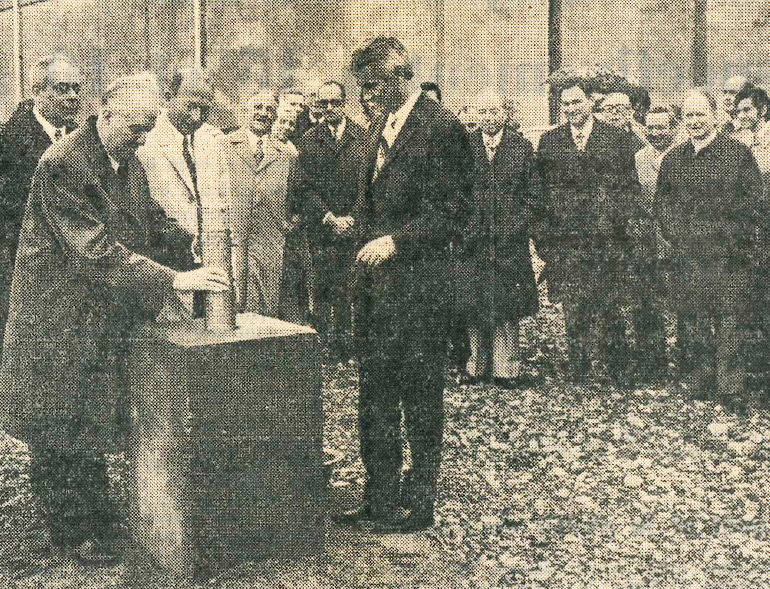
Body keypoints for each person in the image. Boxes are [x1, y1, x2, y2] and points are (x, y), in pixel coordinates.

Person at [0, 73, 230, 564]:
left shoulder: (124, 160)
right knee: (59, 424)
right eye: (135, 128)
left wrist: (186, 244)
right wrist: (172, 280)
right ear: (106, 114)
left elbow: (145, 219)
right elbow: (96, 250)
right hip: (57, 318)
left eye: (148, 129)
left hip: (94, 314)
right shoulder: (63, 165)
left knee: (89, 416)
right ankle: (71, 531)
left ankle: (96, 517)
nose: (142, 139)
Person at [335, 36, 472, 533]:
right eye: (362, 88)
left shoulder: (441, 128)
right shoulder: (377, 128)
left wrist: (398, 240)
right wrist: (361, 225)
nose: (366, 96)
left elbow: (454, 212)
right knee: (373, 396)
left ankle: (419, 502)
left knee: (419, 398)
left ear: (399, 78)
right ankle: (379, 496)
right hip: (376, 292)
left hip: (420, 292)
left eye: (372, 87)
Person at [655, 89, 763, 407]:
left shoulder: (737, 154)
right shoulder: (674, 159)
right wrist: (681, 237)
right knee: (694, 318)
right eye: (689, 115)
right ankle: (701, 380)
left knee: (729, 319)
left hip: (729, 254)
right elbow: (664, 205)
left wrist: (730, 240)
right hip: (690, 254)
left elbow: (752, 203)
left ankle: (730, 387)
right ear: (683, 120)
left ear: (715, 116)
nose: (695, 121)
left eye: (701, 114)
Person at [537, 76, 640, 386]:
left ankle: (617, 368)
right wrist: (545, 241)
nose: (571, 109)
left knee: (609, 304)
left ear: (590, 103)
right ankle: (579, 368)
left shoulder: (615, 139)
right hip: (567, 242)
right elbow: (540, 195)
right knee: (574, 307)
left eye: (576, 102)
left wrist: (618, 227)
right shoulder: (550, 142)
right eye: (565, 104)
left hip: (605, 240)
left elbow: (628, 189)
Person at [455, 92, 541, 387]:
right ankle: (476, 364)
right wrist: (465, 227)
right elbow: (456, 193)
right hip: (473, 239)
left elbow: (533, 196)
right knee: (473, 301)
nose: (489, 118)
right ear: (476, 115)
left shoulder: (522, 147)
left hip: (509, 240)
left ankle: (507, 368)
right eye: (483, 112)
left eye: (494, 111)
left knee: (506, 304)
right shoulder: (465, 146)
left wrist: (516, 226)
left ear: (505, 114)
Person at [0, 54, 81, 351]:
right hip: (26, 277)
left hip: (74, 280)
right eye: (62, 89)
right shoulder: (8, 143)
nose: (73, 96)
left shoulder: (81, 139)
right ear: (37, 92)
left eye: (76, 88)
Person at [137, 67, 230, 288]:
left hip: (207, 265)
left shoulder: (212, 141)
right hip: (162, 264)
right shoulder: (143, 138)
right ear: (169, 98)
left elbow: (224, 204)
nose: (196, 116)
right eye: (190, 106)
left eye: (204, 110)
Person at [292, 81, 365, 360]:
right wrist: (328, 216)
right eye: (324, 103)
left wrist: (353, 217)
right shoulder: (309, 140)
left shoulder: (364, 136)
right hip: (322, 227)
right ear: (318, 105)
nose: (330, 108)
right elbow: (303, 186)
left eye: (336, 102)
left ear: (345, 103)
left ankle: (347, 344)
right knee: (322, 285)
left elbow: (369, 184)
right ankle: (323, 344)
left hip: (353, 226)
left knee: (351, 285)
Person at [222, 89, 298, 318]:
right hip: (233, 236)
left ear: (275, 115)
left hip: (270, 241)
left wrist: (290, 222)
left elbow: (296, 196)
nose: (263, 113)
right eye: (257, 107)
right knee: (230, 302)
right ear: (246, 110)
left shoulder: (287, 153)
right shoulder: (224, 145)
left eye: (269, 109)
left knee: (266, 307)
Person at [627, 106, 678, 382]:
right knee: (645, 304)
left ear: (673, 127)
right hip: (646, 242)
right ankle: (652, 361)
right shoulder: (638, 158)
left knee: (684, 304)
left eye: (662, 127)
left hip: (678, 241)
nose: (656, 133)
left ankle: (689, 363)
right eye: (651, 127)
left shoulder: (684, 154)